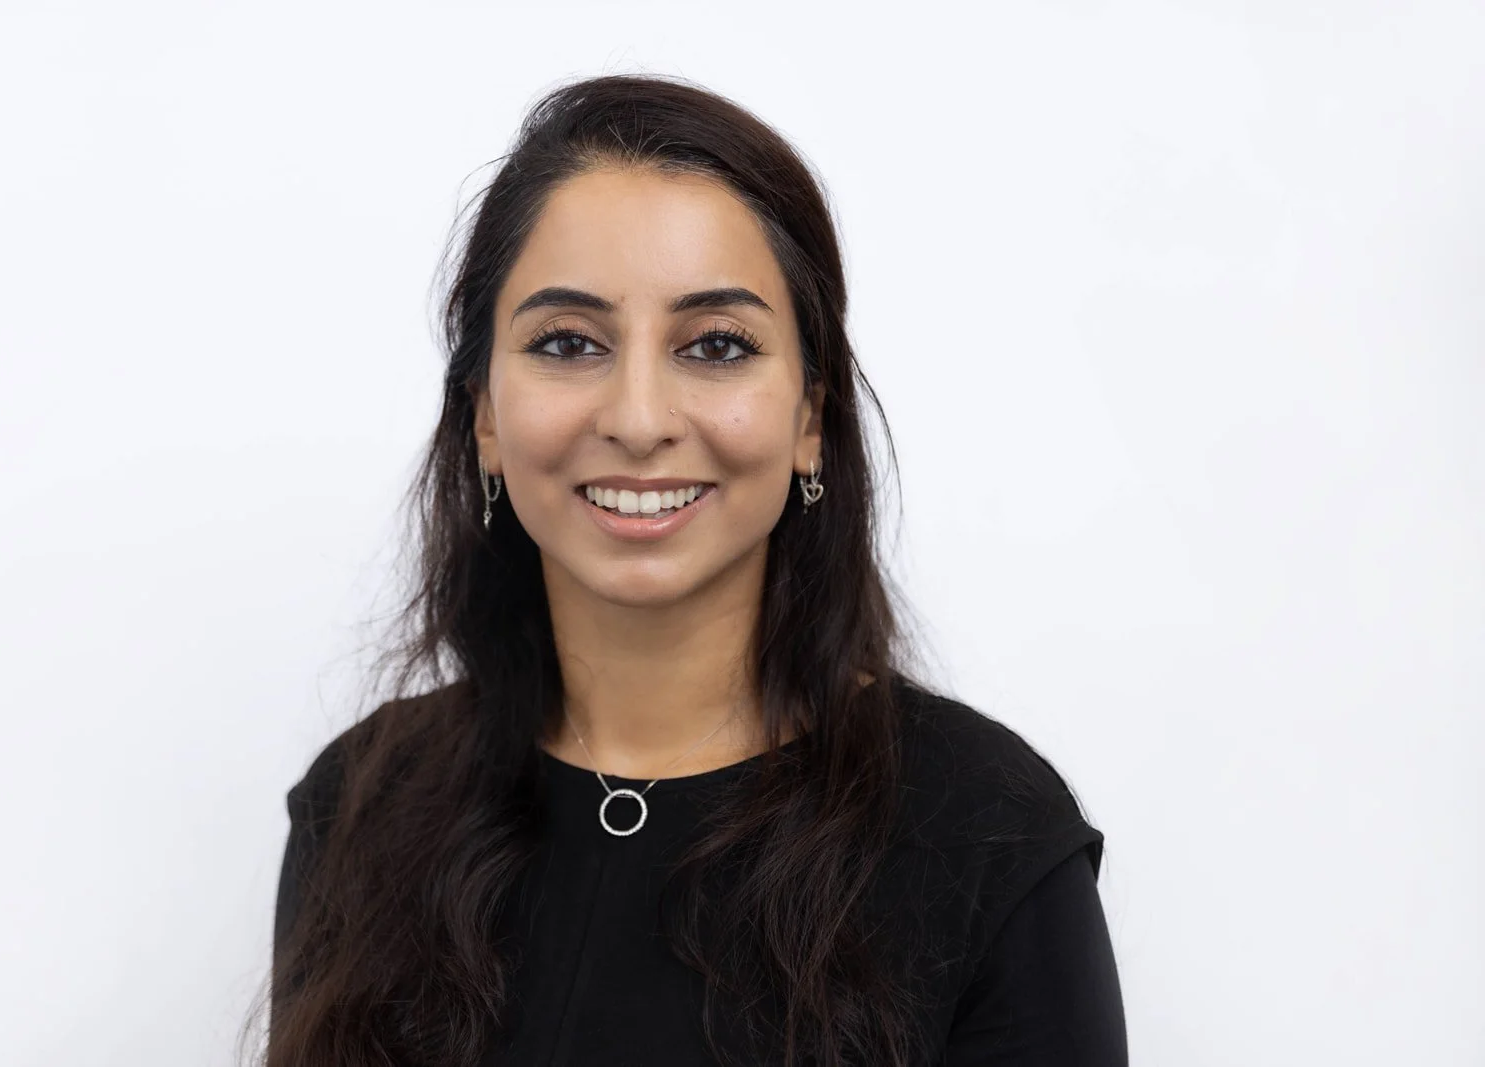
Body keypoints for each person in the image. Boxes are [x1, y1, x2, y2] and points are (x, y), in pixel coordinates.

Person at [265, 74, 1128, 1066]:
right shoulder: (361, 810)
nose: (638, 419)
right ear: (486, 418)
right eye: (567, 342)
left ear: (810, 416)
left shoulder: (982, 831)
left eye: (716, 345)